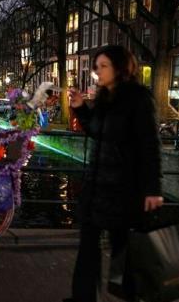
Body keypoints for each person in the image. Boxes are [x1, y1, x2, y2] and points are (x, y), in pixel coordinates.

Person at [64, 45, 164, 302]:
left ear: (120, 67)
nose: (98, 72)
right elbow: (96, 131)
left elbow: (150, 145)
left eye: (103, 66)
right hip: (97, 187)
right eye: (96, 67)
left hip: (123, 190)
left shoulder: (139, 99)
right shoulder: (104, 98)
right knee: (87, 247)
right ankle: (84, 298)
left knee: (124, 250)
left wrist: (153, 188)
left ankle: (131, 296)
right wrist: (81, 108)